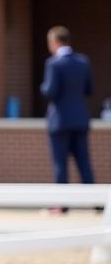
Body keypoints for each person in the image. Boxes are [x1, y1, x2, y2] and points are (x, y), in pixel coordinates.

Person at [40, 26, 95, 199]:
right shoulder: (83, 62)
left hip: (60, 121)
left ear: (55, 42)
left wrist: (42, 87)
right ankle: (95, 202)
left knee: (60, 164)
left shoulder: (53, 63)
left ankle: (61, 204)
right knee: (84, 162)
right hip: (80, 119)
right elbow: (89, 89)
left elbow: (50, 91)